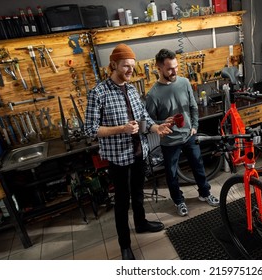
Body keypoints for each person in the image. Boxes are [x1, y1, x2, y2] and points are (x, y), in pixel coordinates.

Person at [84, 44, 172, 260]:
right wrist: (121, 129)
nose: (131, 70)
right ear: (113, 65)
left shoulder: (132, 89)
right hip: (118, 158)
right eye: (126, 66)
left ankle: (141, 223)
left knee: (139, 193)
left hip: (139, 153)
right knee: (122, 202)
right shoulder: (98, 93)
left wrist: (156, 127)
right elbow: (89, 129)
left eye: (132, 66)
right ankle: (125, 244)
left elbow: (143, 118)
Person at [145, 48, 219, 217]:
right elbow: (149, 122)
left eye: (176, 67)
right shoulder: (153, 95)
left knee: (198, 166)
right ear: (159, 68)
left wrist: (194, 125)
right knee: (171, 175)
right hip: (169, 141)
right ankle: (179, 201)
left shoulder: (184, 83)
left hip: (188, 135)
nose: (174, 71)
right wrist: (163, 123)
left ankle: (205, 193)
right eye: (170, 68)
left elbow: (193, 107)